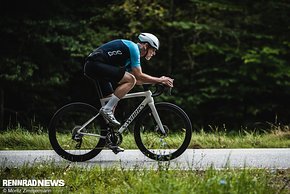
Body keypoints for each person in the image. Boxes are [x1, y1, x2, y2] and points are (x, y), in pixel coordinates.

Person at [84, 33, 174, 127]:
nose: (154, 53)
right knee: (129, 82)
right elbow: (137, 77)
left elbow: (138, 80)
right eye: (153, 50)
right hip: (95, 65)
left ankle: (107, 136)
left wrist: (157, 81)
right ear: (146, 46)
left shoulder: (129, 57)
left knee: (111, 101)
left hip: (95, 67)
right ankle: (107, 109)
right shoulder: (134, 48)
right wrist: (160, 80)